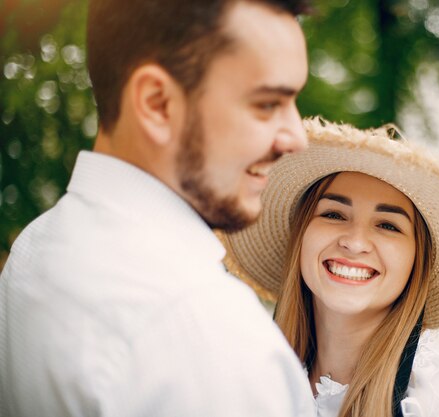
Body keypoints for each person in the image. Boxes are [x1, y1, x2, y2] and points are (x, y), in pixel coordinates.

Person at [0, 1, 315, 416]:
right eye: (267, 104)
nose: (296, 137)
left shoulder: (36, 246)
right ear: (157, 103)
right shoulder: (215, 337)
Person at [220, 119, 439, 417]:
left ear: (417, 261)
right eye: (335, 215)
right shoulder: (246, 382)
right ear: (301, 234)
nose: (355, 243)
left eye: (388, 225)